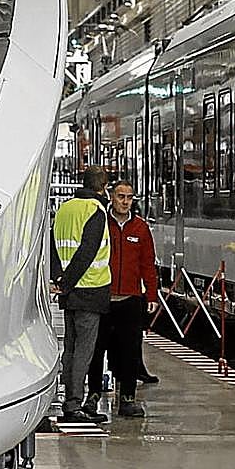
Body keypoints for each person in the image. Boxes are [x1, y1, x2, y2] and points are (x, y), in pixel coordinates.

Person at [86, 179, 160, 418]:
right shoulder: (100, 224)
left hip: (130, 300)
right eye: (121, 196)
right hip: (103, 298)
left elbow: (148, 264)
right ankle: (93, 395)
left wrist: (151, 293)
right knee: (96, 350)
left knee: (130, 350)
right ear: (111, 197)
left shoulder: (140, 228)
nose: (125, 202)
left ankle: (127, 398)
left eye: (129, 197)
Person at [50, 166, 112, 424]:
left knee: (71, 348)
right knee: (83, 351)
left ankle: (70, 399)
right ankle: (73, 404)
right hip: (89, 289)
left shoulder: (64, 208)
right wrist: (68, 283)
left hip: (71, 292)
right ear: (102, 187)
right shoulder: (95, 211)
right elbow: (87, 252)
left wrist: (58, 278)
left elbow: (53, 245)